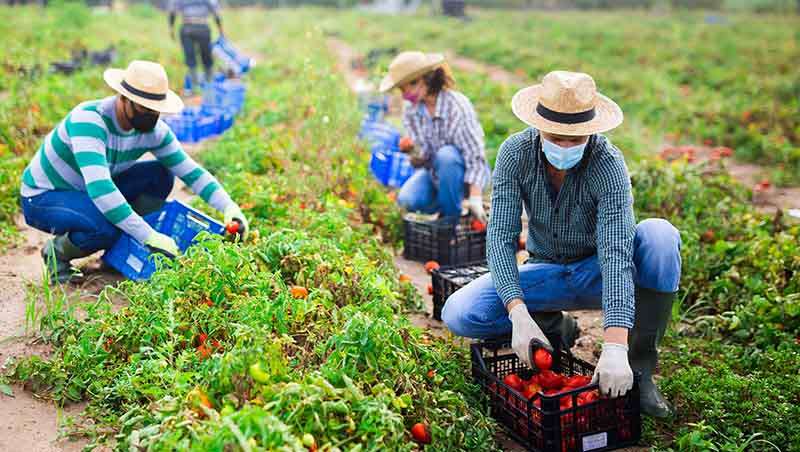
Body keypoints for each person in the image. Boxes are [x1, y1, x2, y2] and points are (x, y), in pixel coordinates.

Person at [441, 71, 681, 418]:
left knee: (660, 236)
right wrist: (517, 312)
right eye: (557, 137)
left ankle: (640, 371)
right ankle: (552, 325)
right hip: (546, 271)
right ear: (539, 126)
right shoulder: (515, 154)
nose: (566, 147)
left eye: (576, 138)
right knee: (460, 312)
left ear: (591, 129)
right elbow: (501, 238)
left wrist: (614, 345)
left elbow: (616, 254)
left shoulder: (608, 164)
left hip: (597, 272)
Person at [20, 60, 249, 283]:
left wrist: (230, 207)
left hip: (88, 189)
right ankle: (56, 253)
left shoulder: (154, 131)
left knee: (160, 174)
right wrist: (148, 235)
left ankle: (117, 252)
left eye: (155, 109)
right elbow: (101, 190)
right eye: (143, 107)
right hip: (44, 195)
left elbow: (191, 172)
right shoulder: (90, 120)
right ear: (124, 98)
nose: (150, 114)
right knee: (105, 226)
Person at [379, 51, 490, 223]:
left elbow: (475, 156)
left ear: (426, 79)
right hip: (435, 174)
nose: (405, 94)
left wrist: (475, 196)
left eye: (408, 87)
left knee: (446, 155)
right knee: (408, 200)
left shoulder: (456, 107)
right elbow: (424, 157)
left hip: (465, 175)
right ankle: (451, 206)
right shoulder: (411, 110)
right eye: (401, 90)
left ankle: (450, 220)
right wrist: (412, 151)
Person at [168, 0, 223, 95]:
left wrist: (171, 28)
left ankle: (204, 85)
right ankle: (201, 86)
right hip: (195, 28)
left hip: (192, 28)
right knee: (198, 57)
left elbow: (173, 10)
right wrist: (220, 29)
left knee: (201, 57)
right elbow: (215, 11)